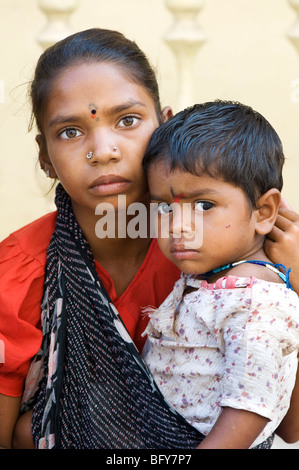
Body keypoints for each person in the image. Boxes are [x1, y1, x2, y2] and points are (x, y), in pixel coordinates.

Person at [0, 28, 298, 449]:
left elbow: (287, 426)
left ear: (165, 124)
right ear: (45, 157)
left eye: (127, 120)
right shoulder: (17, 275)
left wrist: (296, 282)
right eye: (70, 131)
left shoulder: (226, 255)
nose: (103, 150)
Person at [141, 101, 299, 449]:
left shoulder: (253, 298)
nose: (178, 227)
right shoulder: (210, 278)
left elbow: (250, 405)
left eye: (204, 205)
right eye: (164, 208)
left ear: (264, 211)